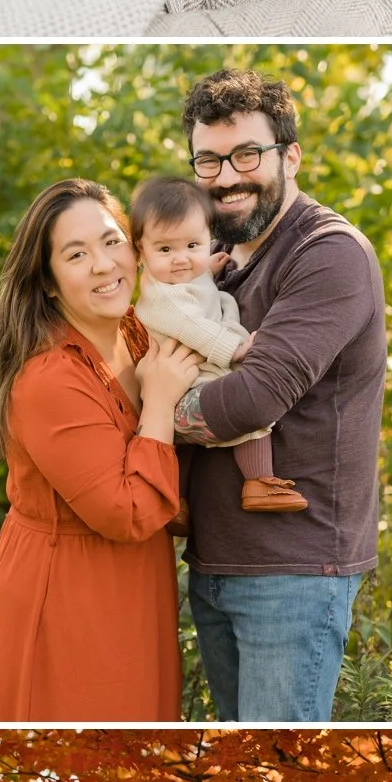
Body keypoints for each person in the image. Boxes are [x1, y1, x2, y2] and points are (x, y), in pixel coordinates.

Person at [165, 70, 387, 721]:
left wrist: (152, 411)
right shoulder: (215, 258)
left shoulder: (328, 255)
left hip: (292, 573)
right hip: (214, 560)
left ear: (290, 155)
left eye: (246, 155)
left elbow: (255, 397)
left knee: (274, 780)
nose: (226, 176)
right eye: (209, 159)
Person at [0, 180, 202, 720]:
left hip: (136, 578)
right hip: (66, 589)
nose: (103, 264)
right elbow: (127, 510)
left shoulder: (140, 333)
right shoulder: (49, 380)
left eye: (111, 240)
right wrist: (160, 402)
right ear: (48, 283)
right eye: (76, 254)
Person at [128, 173, 305, 521]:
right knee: (244, 412)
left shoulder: (183, 276)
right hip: (183, 384)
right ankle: (258, 482)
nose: (181, 259)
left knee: (187, 448)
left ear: (208, 238)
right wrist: (235, 349)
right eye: (165, 249)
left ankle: (177, 502)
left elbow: (193, 290)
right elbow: (193, 327)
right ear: (141, 251)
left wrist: (206, 269)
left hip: (189, 377)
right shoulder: (160, 296)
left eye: (192, 246)